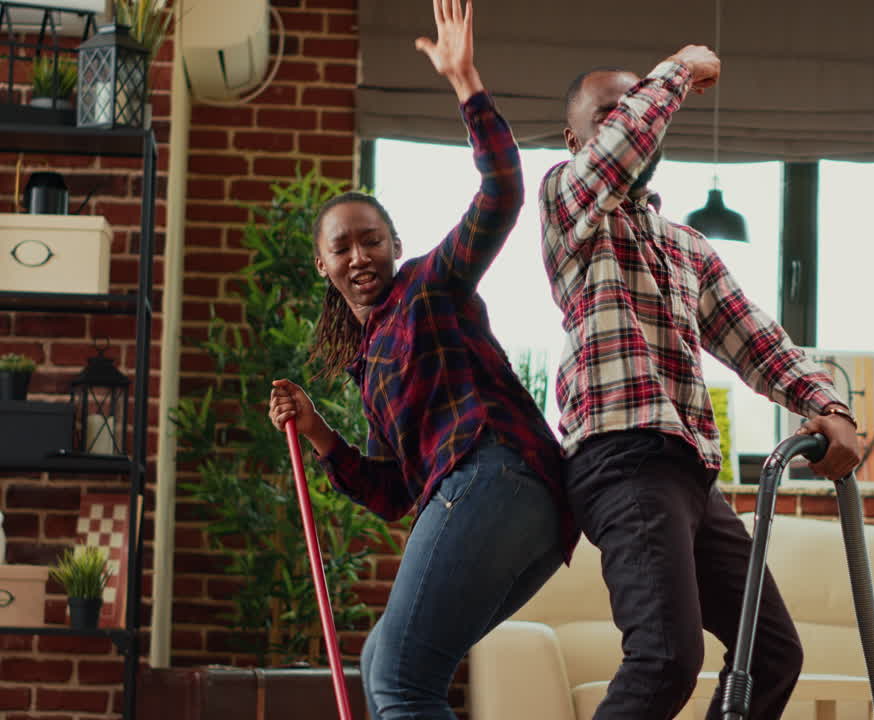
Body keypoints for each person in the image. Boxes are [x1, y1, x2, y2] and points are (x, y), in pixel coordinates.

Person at [268, 2, 575, 717]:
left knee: (401, 677)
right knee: (389, 663)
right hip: (515, 509)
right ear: (323, 265)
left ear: (395, 246)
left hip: (497, 476)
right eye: (341, 247)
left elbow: (501, 193)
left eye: (370, 239)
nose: (359, 255)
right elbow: (397, 493)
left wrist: (466, 83)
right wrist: (317, 431)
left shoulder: (430, 285)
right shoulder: (369, 365)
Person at [539, 47, 863, 720]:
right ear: (575, 139)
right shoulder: (569, 205)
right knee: (664, 660)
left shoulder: (686, 247)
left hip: (690, 475)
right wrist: (679, 70)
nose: (633, 121)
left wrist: (827, 405)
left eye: (639, 108)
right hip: (621, 461)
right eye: (611, 114)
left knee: (770, 655)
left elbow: (758, 340)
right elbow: (615, 152)